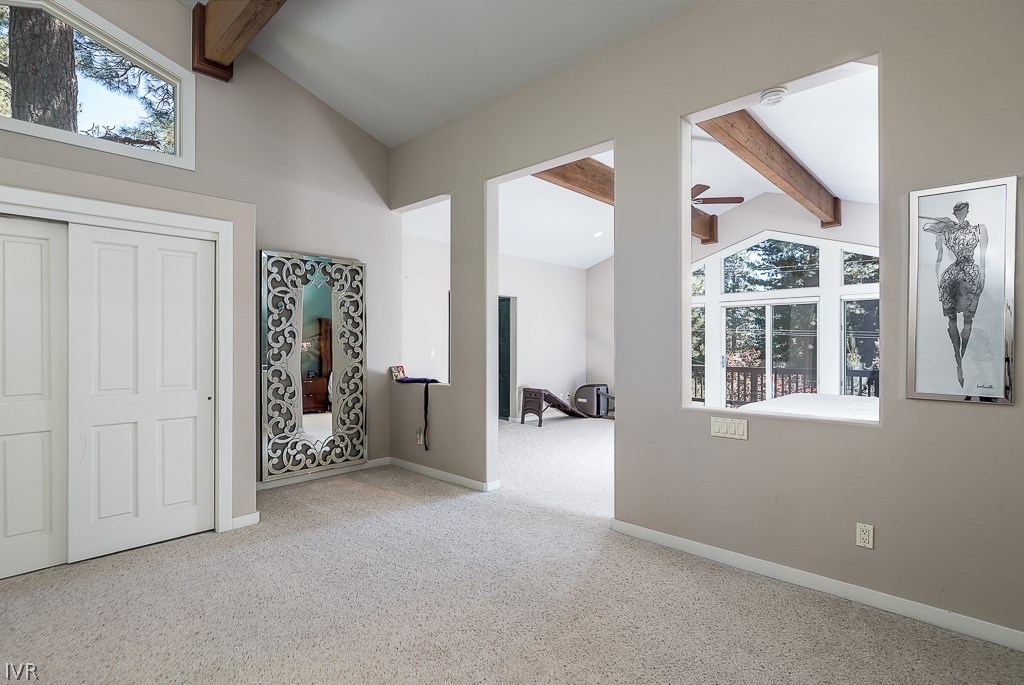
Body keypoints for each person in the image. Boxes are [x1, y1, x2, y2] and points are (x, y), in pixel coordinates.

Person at [922, 201, 988, 387]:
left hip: (971, 275)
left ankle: (963, 360)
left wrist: (982, 278)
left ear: (967, 211)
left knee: (968, 321)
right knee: (951, 320)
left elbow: (983, 259)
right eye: (957, 212)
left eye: (963, 211)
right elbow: (926, 227)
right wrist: (944, 225)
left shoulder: (979, 229)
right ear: (955, 213)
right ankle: (958, 362)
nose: (960, 214)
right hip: (952, 275)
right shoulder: (947, 231)